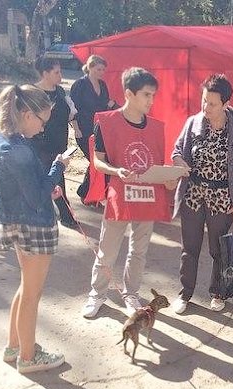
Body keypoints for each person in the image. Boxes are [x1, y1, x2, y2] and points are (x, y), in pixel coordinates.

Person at [81, 67, 180, 319]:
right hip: (120, 196)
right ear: (129, 94)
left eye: (153, 95)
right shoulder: (107, 122)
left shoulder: (156, 128)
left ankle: (131, 293)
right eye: (147, 95)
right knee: (108, 249)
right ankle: (97, 294)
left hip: (147, 197)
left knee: (139, 250)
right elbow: (98, 161)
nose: (151, 101)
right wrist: (116, 171)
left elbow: (157, 165)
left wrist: (171, 178)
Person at [0, 84, 71, 374]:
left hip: (16, 222)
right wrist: (57, 168)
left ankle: (14, 346)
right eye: (41, 121)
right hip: (34, 226)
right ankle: (28, 356)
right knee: (32, 295)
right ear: (25, 113)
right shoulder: (18, 150)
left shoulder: (0, 141)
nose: (43, 128)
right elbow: (36, 197)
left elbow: (24, 189)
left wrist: (48, 185)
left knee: (26, 288)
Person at [170, 74, 233, 314]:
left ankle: (218, 292)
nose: (206, 107)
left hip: (222, 197)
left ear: (226, 104)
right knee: (190, 248)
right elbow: (177, 150)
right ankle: (185, 293)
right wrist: (179, 162)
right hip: (193, 194)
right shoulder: (193, 123)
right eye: (204, 101)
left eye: (212, 103)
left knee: (219, 249)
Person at [31, 57, 79, 229]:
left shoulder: (59, 91)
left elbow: (68, 113)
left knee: (57, 177)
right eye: (56, 72)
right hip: (40, 145)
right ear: (45, 74)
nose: (60, 75)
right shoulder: (33, 93)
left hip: (59, 143)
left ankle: (63, 214)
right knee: (50, 179)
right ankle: (62, 214)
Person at [70, 54, 118, 203]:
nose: (101, 72)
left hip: (98, 129)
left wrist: (115, 107)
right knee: (94, 161)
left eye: (103, 69)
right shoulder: (79, 85)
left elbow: (106, 105)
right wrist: (76, 128)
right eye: (98, 69)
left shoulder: (103, 85)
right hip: (83, 129)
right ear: (90, 68)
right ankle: (85, 192)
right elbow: (73, 109)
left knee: (98, 161)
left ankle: (89, 193)